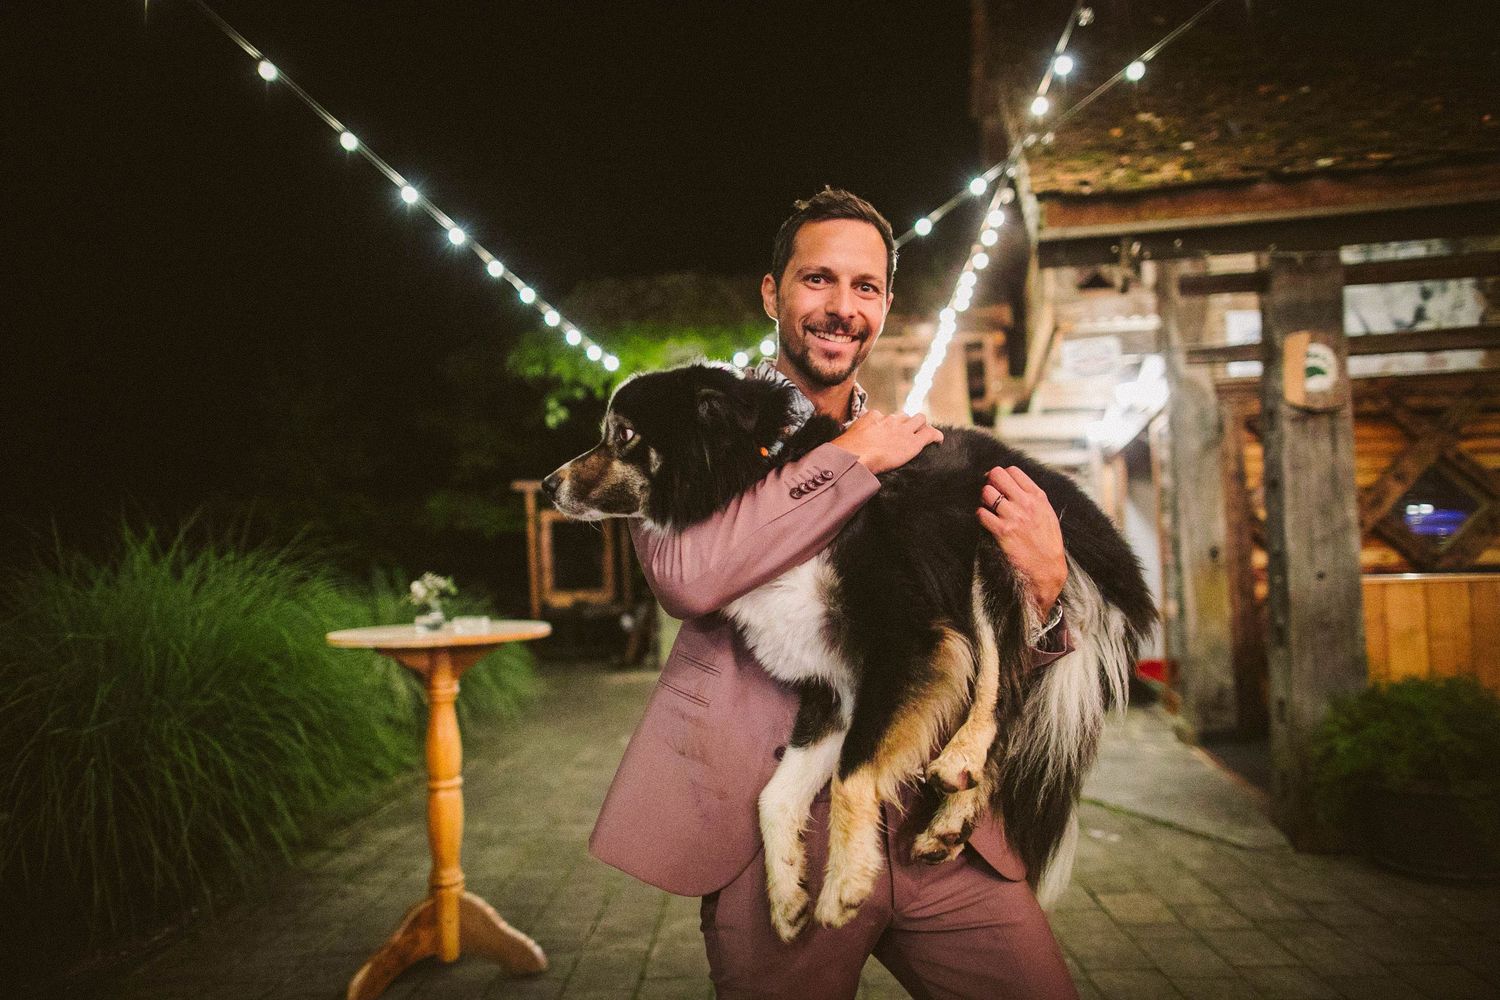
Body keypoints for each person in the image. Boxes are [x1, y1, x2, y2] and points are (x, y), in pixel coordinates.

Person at [588, 189, 1078, 998]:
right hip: (778, 832)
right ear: (772, 292)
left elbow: (961, 634)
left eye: (866, 287)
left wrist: (1047, 588)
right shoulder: (692, 427)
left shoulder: (914, 452)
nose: (842, 307)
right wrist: (846, 461)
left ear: (883, 306)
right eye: (818, 279)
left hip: (933, 824)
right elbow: (686, 578)